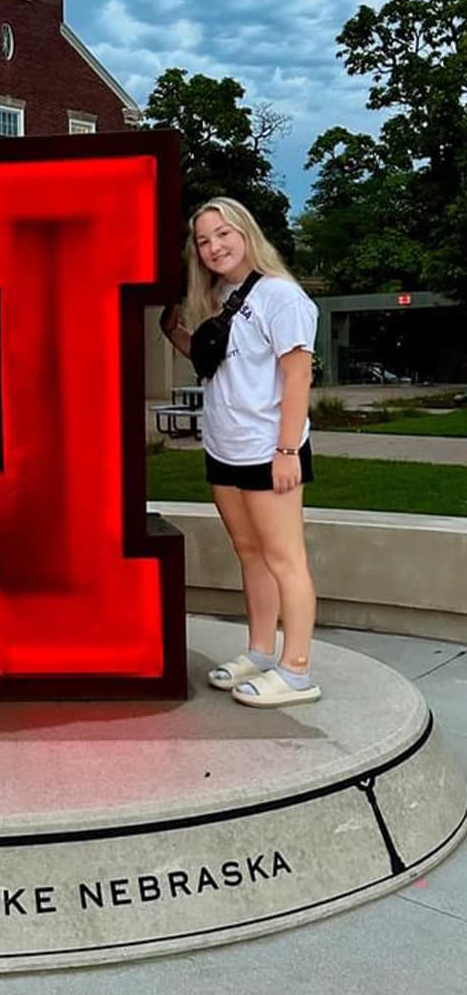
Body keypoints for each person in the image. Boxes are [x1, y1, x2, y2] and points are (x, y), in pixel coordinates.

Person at [160, 197, 320, 708]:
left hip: (267, 449)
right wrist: (176, 334)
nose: (214, 247)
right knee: (250, 555)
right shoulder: (223, 297)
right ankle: (261, 650)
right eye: (204, 241)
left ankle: (296, 670)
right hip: (225, 447)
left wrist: (287, 449)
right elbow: (221, 364)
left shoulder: (281, 296)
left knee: (284, 558)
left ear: (247, 233)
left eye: (223, 234)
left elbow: (297, 376)